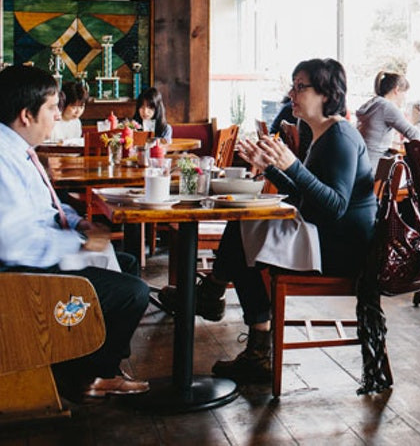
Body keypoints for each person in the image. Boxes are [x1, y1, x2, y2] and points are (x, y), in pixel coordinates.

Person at [181, 58, 377, 383]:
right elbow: (304, 197)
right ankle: (231, 315)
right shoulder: (319, 133)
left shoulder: (340, 136)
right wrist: (271, 167)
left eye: (300, 87)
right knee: (246, 223)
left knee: (246, 233)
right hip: (323, 235)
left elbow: (335, 207)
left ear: (326, 94)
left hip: (342, 248)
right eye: (293, 85)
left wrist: (292, 167)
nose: (291, 94)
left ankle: (220, 299)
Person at [0, 65, 149, 399]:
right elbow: (14, 242)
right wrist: (79, 246)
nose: (57, 116)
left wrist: (77, 222)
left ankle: (89, 365)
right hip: (19, 277)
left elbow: (45, 209)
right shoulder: (2, 159)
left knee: (125, 264)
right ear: (26, 114)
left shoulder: (15, 149)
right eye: (53, 108)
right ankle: (90, 375)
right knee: (134, 292)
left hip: (34, 258)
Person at [356, 71, 420, 169]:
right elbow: (415, 135)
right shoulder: (386, 107)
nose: (404, 98)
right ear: (396, 90)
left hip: (361, 165)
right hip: (374, 170)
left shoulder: (372, 104)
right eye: (404, 93)